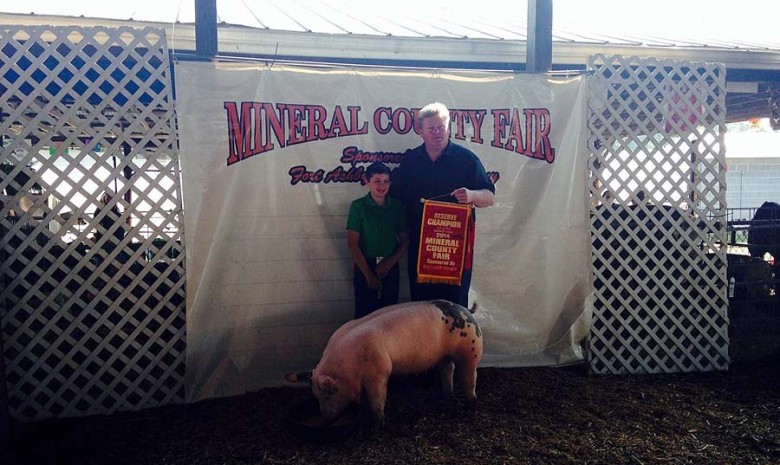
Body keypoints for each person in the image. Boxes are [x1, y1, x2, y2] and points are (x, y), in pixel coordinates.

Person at [391, 102, 495, 307]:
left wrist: (472, 195)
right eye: (431, 128)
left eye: (442, 127)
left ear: (449, 128)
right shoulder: (411, 161)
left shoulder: (467, 159)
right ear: (420, 131)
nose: (438, 132)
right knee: (422, 308)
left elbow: (489, 196)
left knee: (454, 309)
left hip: (455, 248)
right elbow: (396, 199)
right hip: (421, 247)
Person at [346, 162, 409, 319]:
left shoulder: (397, 207)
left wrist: (388, 264)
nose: (382, 185)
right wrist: (368, 275)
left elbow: (405, 241)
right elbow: (353, 244)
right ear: (367, 181)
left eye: (386, 181)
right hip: (364, 266)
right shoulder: (358, 206)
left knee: (388, 316)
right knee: (364, 316)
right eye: (377, 181)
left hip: (390, 266)